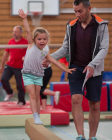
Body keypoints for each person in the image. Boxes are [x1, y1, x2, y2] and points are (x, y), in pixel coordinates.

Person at [42, 0, 109, 139]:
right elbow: (66, 47)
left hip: (94, 69)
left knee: (95, 105)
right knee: (76, 99)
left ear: (89, 8)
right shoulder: (71, 25)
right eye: (75, 11)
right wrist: (50, 58)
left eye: (80, 11)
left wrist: (92, 64)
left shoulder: (101, 25)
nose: (77, 14)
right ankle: (80, 136)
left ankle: (92, 137)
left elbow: (104, 49)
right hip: (75, 68)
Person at [18, 9, 76, 125]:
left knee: (38, 96)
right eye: (39, 39)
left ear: (47, 40)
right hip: (28, 74)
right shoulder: (31, 44)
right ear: (34, 40)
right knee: (33, 95)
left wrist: (66, 69)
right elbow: (28, 31)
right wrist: (24, 19)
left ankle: (38, 116)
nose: (42, 41)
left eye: (44, 39)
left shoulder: (45, 50)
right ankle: (35, 116)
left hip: (39, 74)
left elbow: (55, 61)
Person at [0, 25, 28, 106]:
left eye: (16, 32)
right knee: (3, 79)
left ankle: (21, 101)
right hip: (10, 65)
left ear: (20, 33)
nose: (14, 33)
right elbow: (6, 53)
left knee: (20, 85)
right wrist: (2, 64)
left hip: (20, 67)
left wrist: (25, 57)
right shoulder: (10, 41)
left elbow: (31, 53)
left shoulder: (25, 42)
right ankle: (10, 93)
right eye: (13, 31)